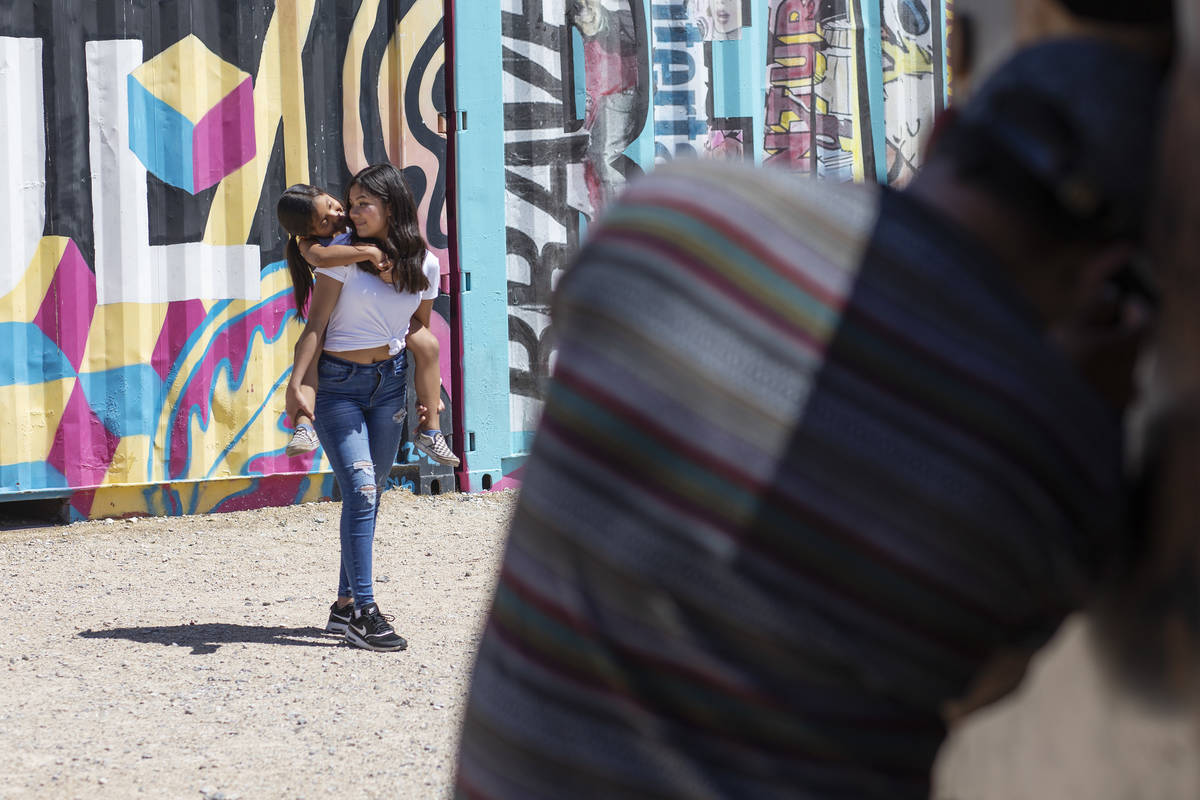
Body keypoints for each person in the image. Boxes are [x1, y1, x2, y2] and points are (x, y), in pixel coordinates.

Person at [454, 38, 1169, 798]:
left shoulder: (670, 219)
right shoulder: (1051, 456)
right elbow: (981, 688)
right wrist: (1085, 400)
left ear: (942, 131)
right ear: (1104, 269)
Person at [286, 164, 444, 652]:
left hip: (389, 387)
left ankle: (343, 607)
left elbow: (416, 329)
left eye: (361, 204)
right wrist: (297, 386)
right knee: (361, 489)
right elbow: (315, 327)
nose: (350, 213)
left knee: (368, 497)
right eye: (349, 204)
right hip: (338, 386)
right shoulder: (339, 259)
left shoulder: (426, 265)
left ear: (391, 207)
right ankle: (366, 613)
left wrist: (427, 400)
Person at [275, 184, 458, 468]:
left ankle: (431, 428)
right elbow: (321, 259)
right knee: (313, 351)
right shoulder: (313, 245)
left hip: (383, 319)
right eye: (325, 220)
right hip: (342, 319)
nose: (338, 215)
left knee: (428, 344)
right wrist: (370, 253)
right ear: (308, 231)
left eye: (334, 206)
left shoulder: (361, 226)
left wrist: (433, 384)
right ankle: (302, 424)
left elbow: (420, 318)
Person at [569, 0, 642, 215]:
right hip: (596, 116)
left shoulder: (622, 25)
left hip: (622, 99)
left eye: (588, 1)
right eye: (576, 5)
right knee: (596, 161)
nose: (584, 9)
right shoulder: (569, 35)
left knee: (605, 157)